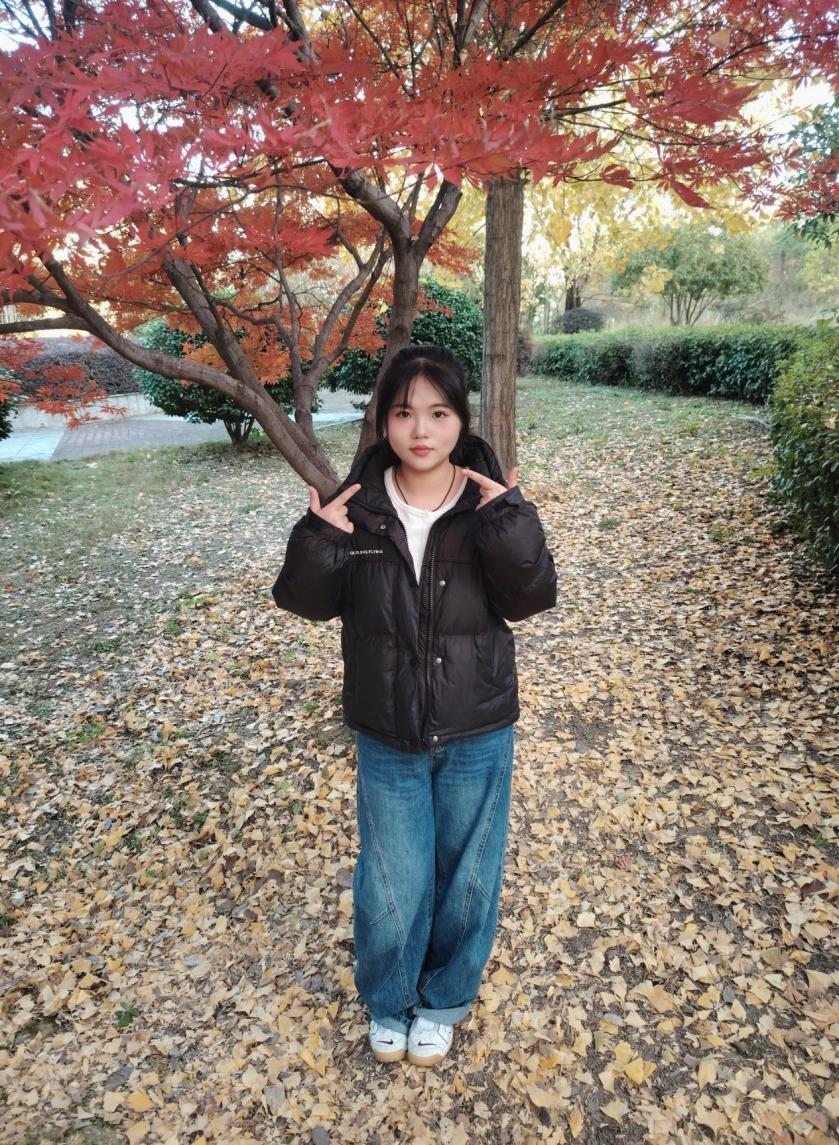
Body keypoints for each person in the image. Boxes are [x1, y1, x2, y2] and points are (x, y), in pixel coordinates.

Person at [272, 344, 557, 1067]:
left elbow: (530, 599)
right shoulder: (358, 506)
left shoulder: (489, 503)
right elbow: (306, 603)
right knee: (392, 876)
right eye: (404, 413)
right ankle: (390, 997)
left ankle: (444, 999)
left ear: (460, 420)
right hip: (387, 722)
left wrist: (510, 523)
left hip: (476, 721)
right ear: (383, 421)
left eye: (438, 413)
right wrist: (320, 537)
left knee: (468, 873)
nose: (421, 430)